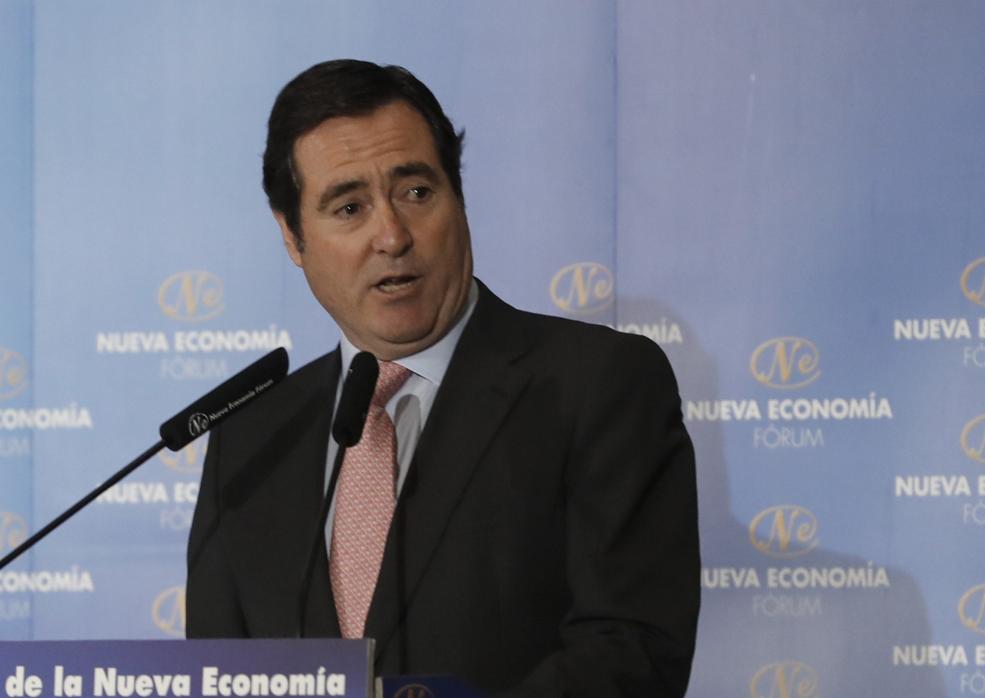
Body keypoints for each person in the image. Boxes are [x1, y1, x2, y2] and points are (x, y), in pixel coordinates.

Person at [185, 59, 700, 697]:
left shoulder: (597, 385)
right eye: (349, 207)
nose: (392, 235)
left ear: (459, 198)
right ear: (293, 236)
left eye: (416, 193)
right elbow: (218, 675)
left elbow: (633, 651)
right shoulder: (253, 436)